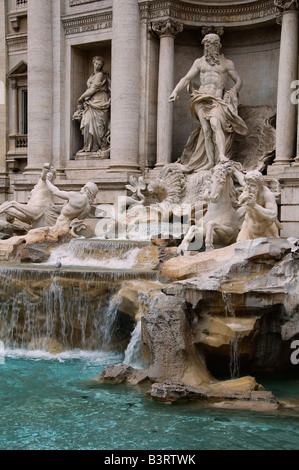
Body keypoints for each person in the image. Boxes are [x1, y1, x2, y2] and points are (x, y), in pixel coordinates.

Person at [169, 33, 248, 172]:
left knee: (215, 124)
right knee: (206, 130)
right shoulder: (199, 62)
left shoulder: (227, 63)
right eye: (205, 46)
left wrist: (232, 92)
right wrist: (175, 91)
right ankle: (210, 161)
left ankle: (222, 156)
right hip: (201, 98)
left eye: (209, 46)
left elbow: (239, 80)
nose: (207, 49)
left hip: (217, 100)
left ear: (216, 46)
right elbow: (186, 78)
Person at [73, 56, 111, 156]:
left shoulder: (100, 75)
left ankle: (97, 146)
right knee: (87, 123)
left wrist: (81, 97)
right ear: (93, 63)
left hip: (100, 100)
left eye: (100, 64)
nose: (97, 66)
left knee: (99, 126)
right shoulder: (92, 76)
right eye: (96, 63)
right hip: (91, 102)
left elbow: (93, 89)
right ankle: (88, 147)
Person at [237, 170, 282, 240]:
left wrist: (254, 206)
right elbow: (240, 178)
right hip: (248, 229)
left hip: (266, 230)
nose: (248, 187)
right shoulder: (247, 190)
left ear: (260, 186)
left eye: (252, 185)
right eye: (247, 184)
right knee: (238, 248)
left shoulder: (267, 194)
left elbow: (273, 214)